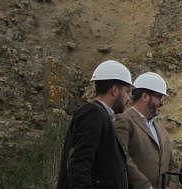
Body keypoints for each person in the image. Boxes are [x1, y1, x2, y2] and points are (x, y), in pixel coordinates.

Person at [57, 60, 133, 189]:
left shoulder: (102, 115)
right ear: (115, 90)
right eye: (126, 92)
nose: (128, 98)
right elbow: (79, 164)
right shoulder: (93, 113)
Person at [115, 72, 178, 189]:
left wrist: (172, 186)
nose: (161, 103)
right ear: (145, 96)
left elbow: (171, 163)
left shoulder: (161, 129)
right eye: (158, 97)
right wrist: (146, 187)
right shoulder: (124, 120)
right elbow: (123, 158)